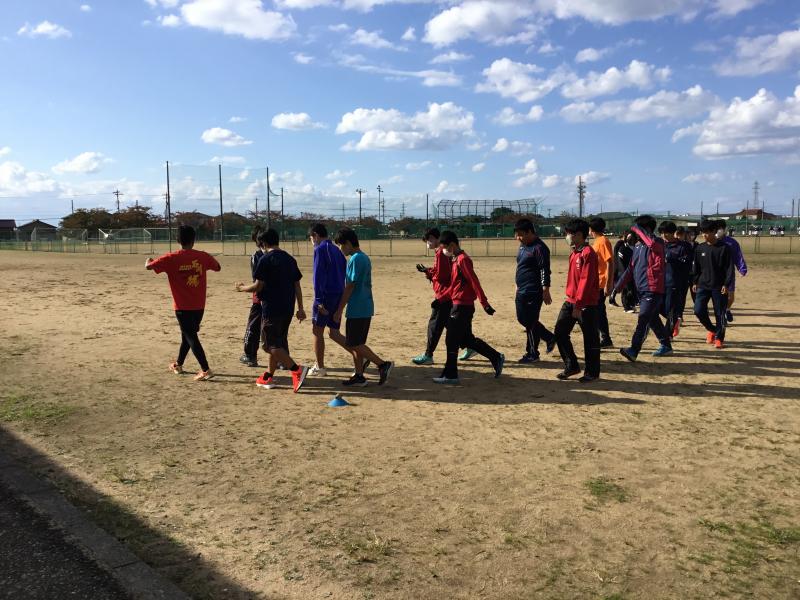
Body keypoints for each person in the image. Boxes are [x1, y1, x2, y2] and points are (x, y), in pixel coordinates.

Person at [235, 228, 309, 392]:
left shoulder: (265, 259)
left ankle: (297, 369)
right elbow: (297, 285)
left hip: (272, 308)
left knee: (269, 345)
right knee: (277, 342)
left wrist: (242, 288)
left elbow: (258, 286)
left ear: (263, 243)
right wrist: (301, 308)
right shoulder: (290, 259)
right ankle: (268, 375)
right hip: (288, 308)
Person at [146, 224, 220, 381]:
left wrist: (148, 261)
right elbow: (217, 267)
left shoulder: (171, 258)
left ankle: (205, 369)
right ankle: (178, 364)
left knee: (190, 336)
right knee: (187, 335)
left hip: (182, 306)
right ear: (194, 240)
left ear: (178, 240)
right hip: (199, 305)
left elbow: (149, 267)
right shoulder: (203, 256)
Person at [433, 231, 504, 384]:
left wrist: (485, 303)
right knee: (466, 339)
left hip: (462, 307)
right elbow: (454, 286)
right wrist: (441, 299)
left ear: (452, 245)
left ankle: (451, 375)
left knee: (451, 339)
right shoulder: (456, 259)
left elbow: (474, 281)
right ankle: (496, 357)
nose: (443, 251)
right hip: (458, 304)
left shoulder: (463, 260)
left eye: (444, 248)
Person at [332, 228, 393, 387]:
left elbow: (350, 286)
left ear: (348, 243)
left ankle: (382, 364)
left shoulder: (356, 259)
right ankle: (359, 375)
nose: (340, 249)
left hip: (358, 307)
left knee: (353, 343)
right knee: (356, 342)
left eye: (340, 245)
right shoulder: (363, 257)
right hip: (364, 305)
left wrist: (339, 310)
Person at [611, 215, 673, 361]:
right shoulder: (638, 247)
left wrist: (637, 229)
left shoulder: (657, 242)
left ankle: (634, 350)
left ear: (646, 229)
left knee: (644, 317)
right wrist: (617, 288)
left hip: (653, 289)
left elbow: (651, 243)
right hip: (641, 289)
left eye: (638, 229)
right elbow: (630, 269)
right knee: (652, 319)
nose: (635, 233)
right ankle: (666, 345)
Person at [552, 219, 600, 382]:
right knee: (560, 332)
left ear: (579, 235)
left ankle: (592, 372)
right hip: (571, 300)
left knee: (590, 338)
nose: (567, 237)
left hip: (586, 304)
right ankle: (572, 365)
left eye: (569, 234)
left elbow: (586, 281)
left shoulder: (588, 253)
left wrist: (579, 305)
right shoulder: (574, 253)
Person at [308, 223, 348, 376]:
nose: (311, 241)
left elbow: (318, 276)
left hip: (325, 296)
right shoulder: (337, 250)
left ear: (316, 235)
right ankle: (360, 355)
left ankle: (320, 367)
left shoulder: (320, 249)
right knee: (334, 333)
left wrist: (319, 300)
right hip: (338, 294)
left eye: (311, 238)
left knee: (317, 331)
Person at [513, 218, 556, 363]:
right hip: (521, 290)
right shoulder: (523, 246)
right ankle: (549, 337)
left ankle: (532, 353)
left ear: (529, 232)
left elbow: (545, 269)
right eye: (516, 234)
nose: (517, 238)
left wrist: (545, 289)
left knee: (530, 321)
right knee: (522, 319)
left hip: (534, 291)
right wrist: (517, 284)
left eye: (520, 234)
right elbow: (520, 267)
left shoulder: (539, 248)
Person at [412, 227, 454, 365]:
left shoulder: (441, 252)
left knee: (434, 325)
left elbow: (442, 275)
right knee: (452, 326)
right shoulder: (442, 252)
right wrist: (428, 271)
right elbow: (440, 272)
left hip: (443, 295)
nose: (428, 243)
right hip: (446, 294)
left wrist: (430, 274)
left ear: (435, 238)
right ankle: (470, 345)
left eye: (429, 239)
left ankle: (428, 355)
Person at [693, 220, 735, 349]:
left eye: (707, 232)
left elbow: (729, 269)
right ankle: (712, 329)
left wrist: (726, 284)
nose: (704, 235)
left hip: (719, 287)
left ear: (714, 232)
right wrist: (695, 281)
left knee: (719, 313)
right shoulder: (700, 248)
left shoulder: (724, 248)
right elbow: (696, 267)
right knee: (698, 310)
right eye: (702, 232)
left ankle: (719, 339)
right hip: (703, 285)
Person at [658, 221, 693, 339]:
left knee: (670, 308)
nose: (663, 235)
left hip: (675, 282)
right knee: (658, 307)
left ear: (673, 233)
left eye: (666, 233)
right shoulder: (660, 245)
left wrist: (672, 259)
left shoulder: (684, 246)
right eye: (661, 233)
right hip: (660, 281)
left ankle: (668, 334)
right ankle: (675, 319)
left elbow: (688, 263)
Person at [240, 225, 265, 367]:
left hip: (260, 298)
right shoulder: (281, 255)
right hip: (278, 299)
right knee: (275, 329)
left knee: (253, 327)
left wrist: (242, 288)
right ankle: (281, 359)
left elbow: (257, 282)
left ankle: (250, 355)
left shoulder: (257, 256)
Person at [714, 220, 747, 323]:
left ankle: (727, 309)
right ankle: (721, 316)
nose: (718, 231)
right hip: (715, 273)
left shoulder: (732, 242)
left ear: (724, 230)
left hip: (729, 273)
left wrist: (742, 269)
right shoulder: (712, 242)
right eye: (716, 229)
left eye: (720, 229)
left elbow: (738, 256)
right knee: (718, 296)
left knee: (730, 297)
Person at [589, 217, 615, 347]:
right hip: (596, 282)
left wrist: (608, 284)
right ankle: (605, 338)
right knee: (598, 311)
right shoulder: (597, 241)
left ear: (591, 229)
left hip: (601, 282)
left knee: (598, 311)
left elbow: (610, 262)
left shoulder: (603, 241)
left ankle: (605, 338)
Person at [611, 230, 637, 313]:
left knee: (632, 289)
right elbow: (620, 262)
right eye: (630, 238)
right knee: (626, 289)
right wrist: (623, 273)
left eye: (633, 238)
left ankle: (631, 304)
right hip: (624, 272)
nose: (632, 240)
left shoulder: (635, 248)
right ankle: (626, 307)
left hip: (632, 273)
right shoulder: (622, 248)